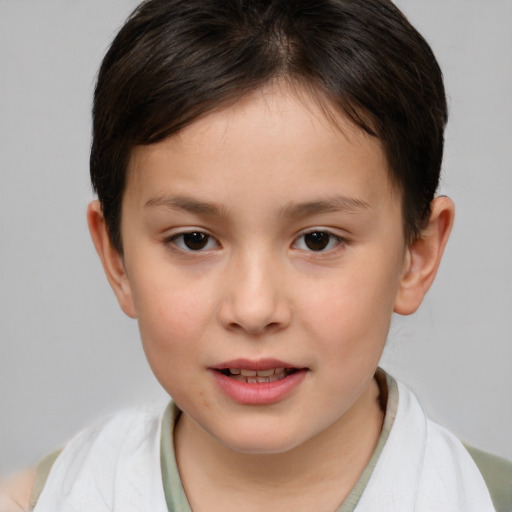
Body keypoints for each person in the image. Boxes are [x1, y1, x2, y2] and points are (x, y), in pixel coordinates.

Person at [1, 0, 510, 510]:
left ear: (415, 256)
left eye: (318, 240)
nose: (253, 308)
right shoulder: (42, 499)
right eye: (194, 240)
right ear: (117, 257)